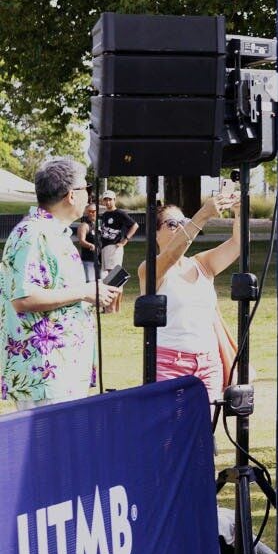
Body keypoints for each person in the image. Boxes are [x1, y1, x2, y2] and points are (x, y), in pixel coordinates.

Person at [3, 157, 118, 406]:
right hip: (45, 373)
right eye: (86, 189)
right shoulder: (33, 234)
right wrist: (83, 292)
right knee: (47, 445)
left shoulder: (54, 233)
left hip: (63, 368)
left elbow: (59, 295)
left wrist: (94, 297)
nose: (89, 196)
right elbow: (23, 299)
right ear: (70, 195)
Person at [139, 183, 244, 402]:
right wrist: (204, 213)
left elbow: (237, 244)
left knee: (205, 432)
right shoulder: (149, 268)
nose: (180, 227)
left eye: (183, 222)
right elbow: (171, 256)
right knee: (172, 433)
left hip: (208, 364)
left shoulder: (201, 264)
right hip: (169, 364)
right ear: (154, 233)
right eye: (171, 224)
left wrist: (239, 210)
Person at [95, 191, 138, 282]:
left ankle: (117, 295)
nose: (108, 202)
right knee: (108, 274)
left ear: (114, 200)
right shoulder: (105, 215)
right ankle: (114, 295)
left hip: (113, 246)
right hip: (104, 247)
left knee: (114, 274)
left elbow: (135, 225)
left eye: (110, 199)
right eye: (105, 200)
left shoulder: (119, 213)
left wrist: (125, 240)